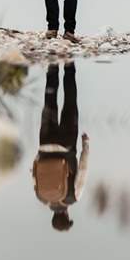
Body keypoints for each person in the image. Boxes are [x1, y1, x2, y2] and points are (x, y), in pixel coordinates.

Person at [32, 63, 89, 231]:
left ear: (67, 216)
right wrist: (41, 152)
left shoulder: (73, 197)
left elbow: (83, 170)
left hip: (66, 145)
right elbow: (34, 172)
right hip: (45, 144)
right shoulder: (41, 197)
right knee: (49, 101)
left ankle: (69, 66)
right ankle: (52, 66)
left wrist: (86, 145)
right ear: (53, 216)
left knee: (70, 101)